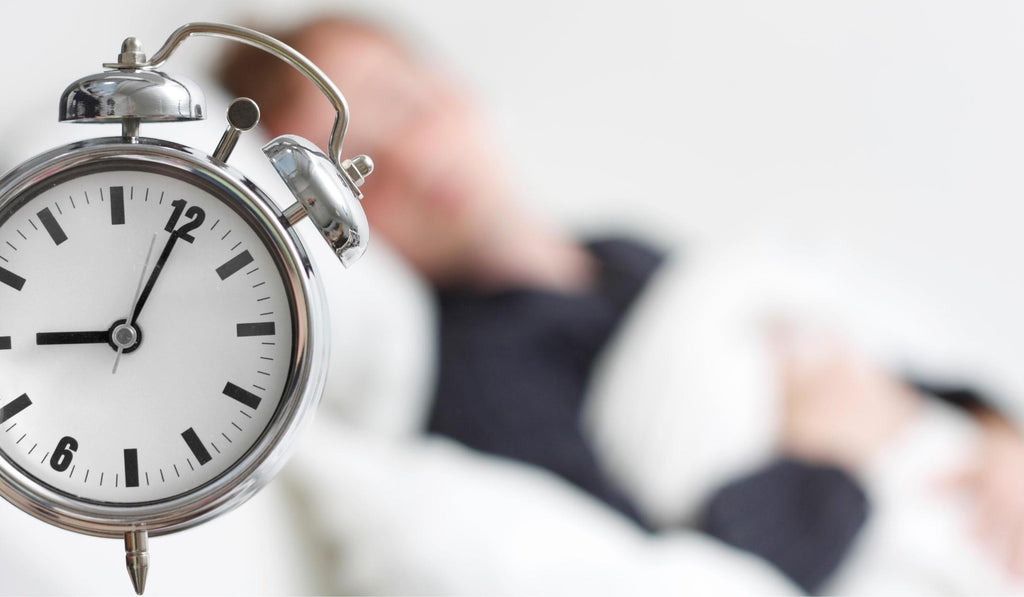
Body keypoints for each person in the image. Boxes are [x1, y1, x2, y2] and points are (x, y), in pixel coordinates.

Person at [219, 15, 1024, 593]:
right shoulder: (484, 381)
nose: (416, 157)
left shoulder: (629, 257)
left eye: (405, 104)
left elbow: (856, 353)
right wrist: (830, 458)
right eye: (360, 168)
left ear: (459, 91)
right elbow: (681, 568)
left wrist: (995, 434)